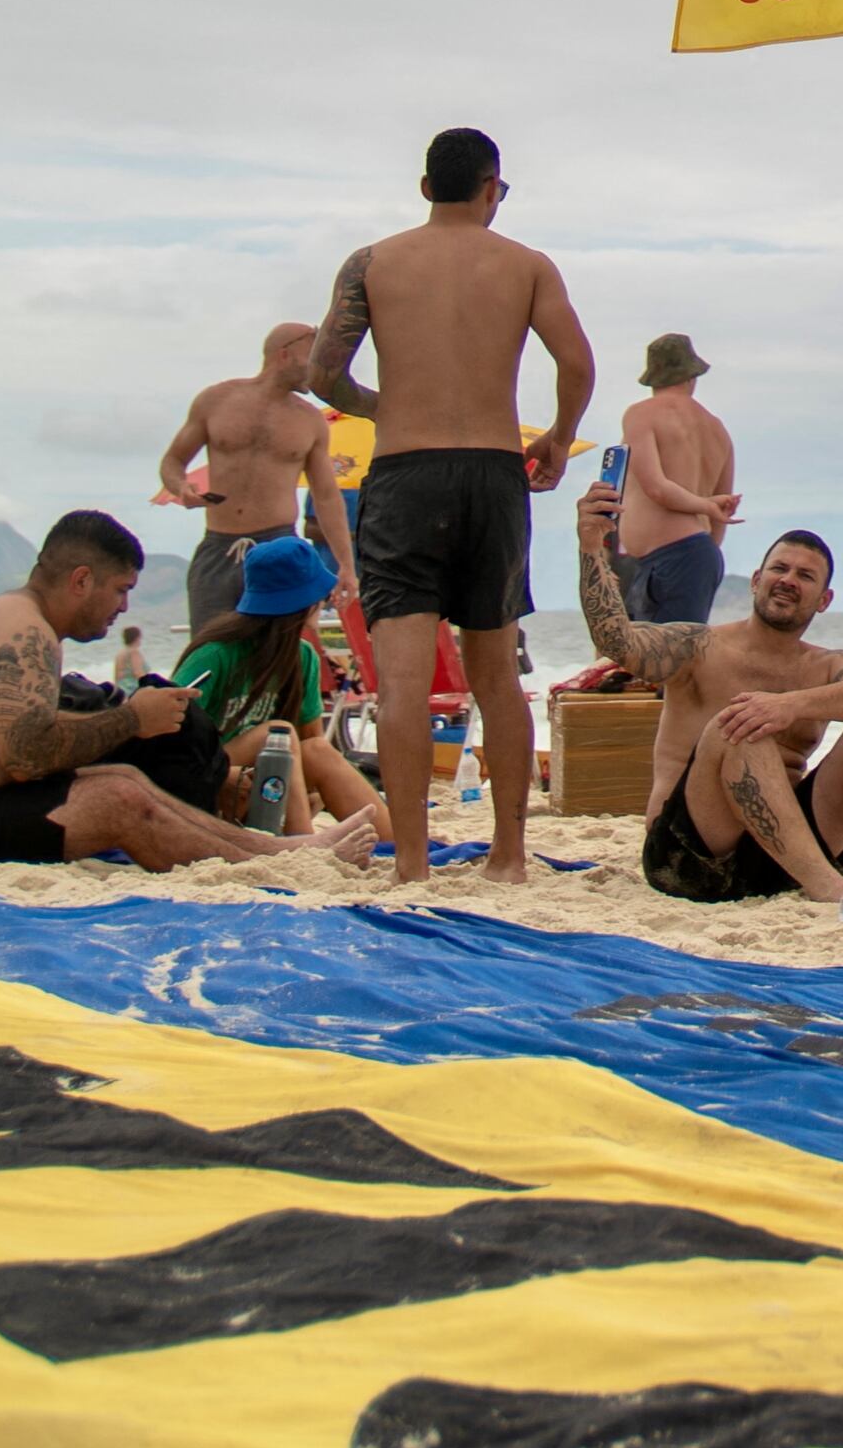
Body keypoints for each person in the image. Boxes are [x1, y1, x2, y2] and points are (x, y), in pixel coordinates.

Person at [305, 124, 593, 888]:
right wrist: (559, 441)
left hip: (405, 471)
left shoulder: (373, 262)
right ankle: (507, 856)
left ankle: (410, 863)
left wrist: (380, 403)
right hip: (494, 472)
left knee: (400, 684)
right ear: (492, 188)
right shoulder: (527, 265)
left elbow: (322, 371)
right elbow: (577, 363)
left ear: (426, 186)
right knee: (495, 675)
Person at [0, 508, 302, 871]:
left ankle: (273, 853)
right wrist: (133, 719)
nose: (124, 607)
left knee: (122, 779)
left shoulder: (16, 617)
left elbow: (23, 735)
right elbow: (27, 757)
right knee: (116, 799)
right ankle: (260, 869)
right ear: (82, 581)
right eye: (120, 590)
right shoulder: (24, 630)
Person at [578, 487, 843, 902]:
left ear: (824, 600)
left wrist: (788, 705)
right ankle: (827, 887)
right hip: (697, 855)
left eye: (805, 576)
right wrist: (592, 545)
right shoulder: (696, 647)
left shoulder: (826, 666)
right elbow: (614, 637)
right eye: (779, 569)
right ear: (757, 581)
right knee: (737, 724)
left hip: (790, 858)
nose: (789, 580)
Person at [171, 533, 384, 842]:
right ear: (304, 602)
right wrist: (223, 775)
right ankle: (304, 842)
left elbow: (311, 743)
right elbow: (168, 742)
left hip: (268, 782)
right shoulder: (216, 654)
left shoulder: (302, 657)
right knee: (277, 734)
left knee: (318, 750)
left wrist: (315, 791)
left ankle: (398, 841)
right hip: (211, 781)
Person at [162, 323, 361, 637]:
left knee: (279, 654)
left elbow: (326, 496)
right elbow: (173, 461)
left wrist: (346, 566)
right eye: (314, 352)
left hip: (279, 544)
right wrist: (180, 487)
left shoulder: (310, 420)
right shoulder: (216, 401)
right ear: (284, 353)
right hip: (219, 548)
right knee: (209, 649)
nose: (320, 364)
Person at [616, 331, 742, 627]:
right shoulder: (718, 429)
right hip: (697, 557)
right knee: (660, 666)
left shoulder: (640, 414)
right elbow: (721, 513)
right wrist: (706, 510)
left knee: (662, 668)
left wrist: (703, 507)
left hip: (669, 560)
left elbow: (656, 487)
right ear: (692, 377)